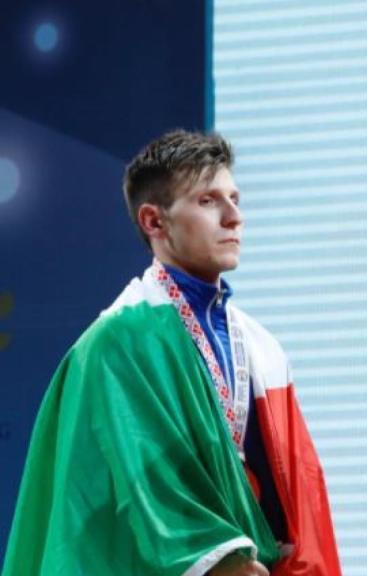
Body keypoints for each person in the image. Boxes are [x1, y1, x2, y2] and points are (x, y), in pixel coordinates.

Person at [2, 130, 341, 576]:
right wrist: (220, 561)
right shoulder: (116, 343)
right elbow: (134, 484)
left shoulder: (262, 349)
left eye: (235, 198)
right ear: (154, 222)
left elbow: (298, 488)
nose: (233, 216)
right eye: (207, 201)